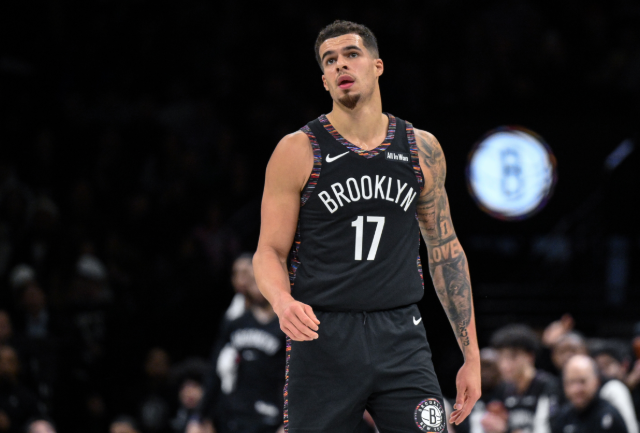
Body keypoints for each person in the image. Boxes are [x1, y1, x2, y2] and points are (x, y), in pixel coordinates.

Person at [253, 20, 481, 433]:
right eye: (330, 60)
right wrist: (282, 302)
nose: (341, 64)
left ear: (377, 66)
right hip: (323, 335)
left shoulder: (421, 148)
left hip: (401, 334)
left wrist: (472, 357)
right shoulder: (297, 150)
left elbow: (445, 250)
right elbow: (269, 251)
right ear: (324, 80)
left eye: (351, 54)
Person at [188, 260, 286, 433]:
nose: (257, 285)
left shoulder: (286, 325)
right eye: (253, 280)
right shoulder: (234, 323)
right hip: (234, 416)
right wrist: (199, 416)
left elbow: (298, 376)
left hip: (273, 417)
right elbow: (216, 370)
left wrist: (289, 421)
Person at [481, 324, 559, 433]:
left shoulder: (548, 385)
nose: (505, 365)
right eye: (501, 357)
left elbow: (548, 427)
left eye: (513, 357)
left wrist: (505, 429)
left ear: (530, 357)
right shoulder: (502, 389)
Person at [552, 355, 627, 433]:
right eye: (571, 382)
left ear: (597, 381)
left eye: (582, 381)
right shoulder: (562, 418)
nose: (576, 389)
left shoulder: (609, 416)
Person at [590, 341, 639, 433]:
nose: (602, 372)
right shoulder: (594, 393)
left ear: (624, 365)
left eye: (607, 364)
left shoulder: (615, 387)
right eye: (598, 368)